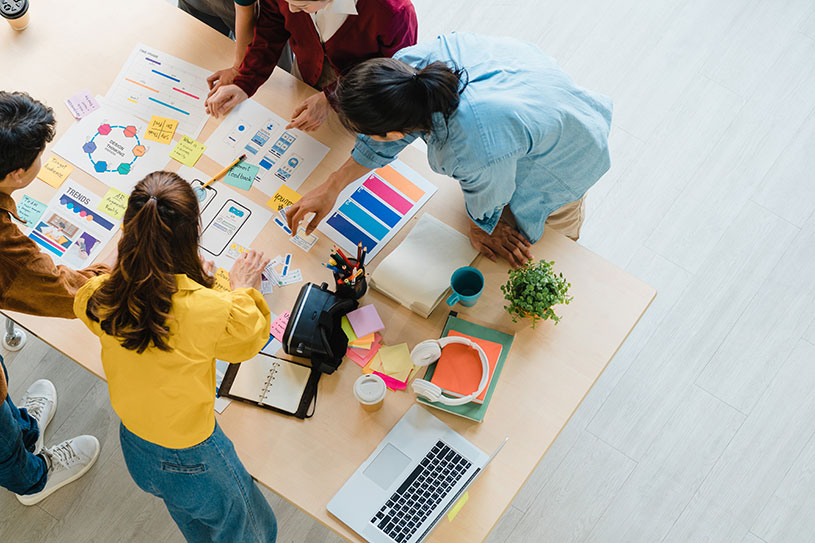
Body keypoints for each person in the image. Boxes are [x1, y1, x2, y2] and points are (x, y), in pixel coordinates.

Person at [286, 33, 613, 267]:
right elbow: (387, 131)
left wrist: (481, 224)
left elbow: (489, 197)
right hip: (536, 98)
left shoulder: (467, 148)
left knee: (557, 252)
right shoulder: (407, 71)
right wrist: (332, 186)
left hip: (567, 155)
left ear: (395, 133)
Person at [74, 171, 277, 542]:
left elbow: (134, 299)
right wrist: (236, 284)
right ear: (191, 235)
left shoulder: (98, 294)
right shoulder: (207, 309)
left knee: (195, 520)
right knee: (255, 530)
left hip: (136, 444)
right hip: (192, 455)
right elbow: (248, 339)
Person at [0, 91, 109, 506]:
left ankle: (25, 430)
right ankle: (31, 479)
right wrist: (112, 265)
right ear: (15, 173)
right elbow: (67, 295)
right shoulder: (5, 251)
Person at [205, 0, 418, 133]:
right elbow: (270, 31)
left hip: (364, 92)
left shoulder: (393, 11)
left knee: (337, 141)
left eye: (302, 6)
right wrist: (245, 82)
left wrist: (331, 97)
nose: (289, 9)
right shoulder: (290, 2)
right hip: (308, 67)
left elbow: (393, 74)